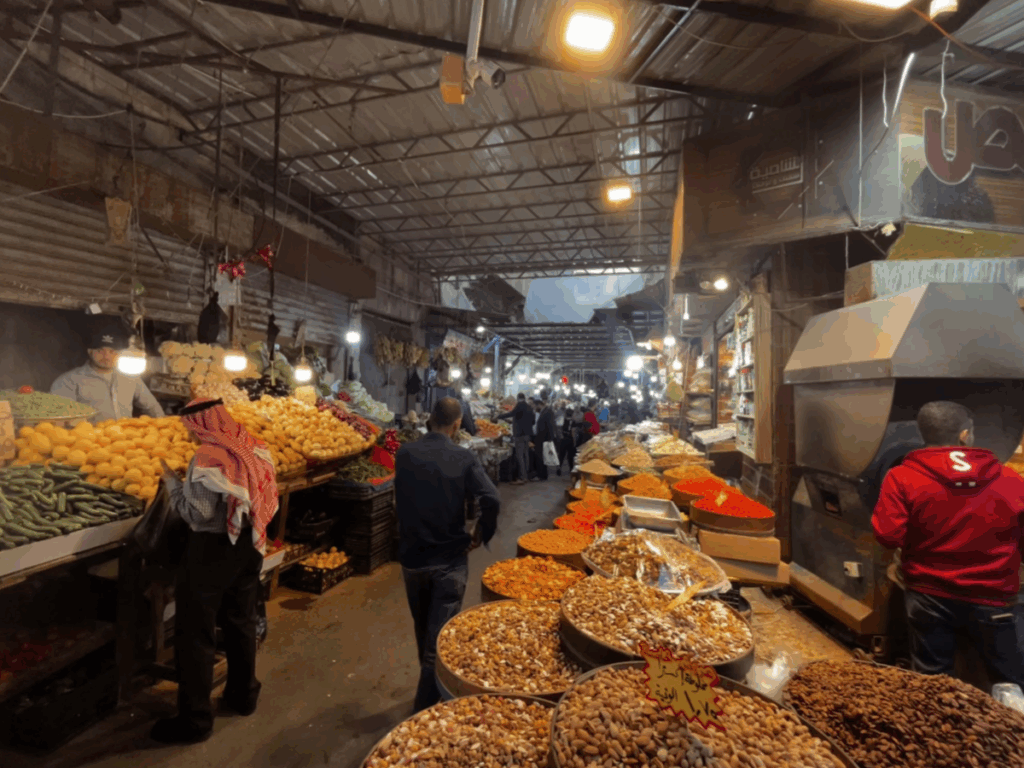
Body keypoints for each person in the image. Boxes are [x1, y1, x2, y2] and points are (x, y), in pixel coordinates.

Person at [151, 398, 279, 744]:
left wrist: (172, 485)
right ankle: (243, 695)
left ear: (199, 424)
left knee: (195, 632)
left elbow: (199, 513)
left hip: (212, 550)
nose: (191, 437)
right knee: (241, 620)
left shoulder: (209, 456)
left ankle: (194, 720)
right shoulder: (252, 444)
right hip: (249, 544)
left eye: (191, 430)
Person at [872, 401, 1024, 688]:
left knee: (934, 682)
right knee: (1010, 682)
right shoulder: (1011, 480)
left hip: (929, 594)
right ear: (965, 434)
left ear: (923, 434)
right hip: (994, 599)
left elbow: (888, 536)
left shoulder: (901, 477)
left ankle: (935, 728)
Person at [395, 398, 500, 712]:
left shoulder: (403, 452)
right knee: (438, 642)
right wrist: (483, 532)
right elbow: (491, 497)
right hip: (449, 560)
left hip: (412, 558)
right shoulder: (463, 457)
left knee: (423, 628)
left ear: (429, 421)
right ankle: (422, 714)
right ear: (456, 425)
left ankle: (430, 686)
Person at [51, 325, 164, 423]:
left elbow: (152, 406)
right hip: (88, 442)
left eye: (112, 351)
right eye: (100, 350)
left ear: (120, 353)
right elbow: (59, 418)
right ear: (90, 351)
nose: (106, 356)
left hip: (125, 441)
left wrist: (165, 425)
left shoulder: (130, 376)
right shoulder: (69, 380)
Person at [497, 393, 534, 485]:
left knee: (520, 456)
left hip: (519, 435)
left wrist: (498, 416)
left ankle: (522, 477)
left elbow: (511, 413)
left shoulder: (519, 406)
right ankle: (526, 476)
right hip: (527, 434)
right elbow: (532, 421)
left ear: (518, 398)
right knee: (526, 455)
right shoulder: (529, 407)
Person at [533, 399, 557, 481]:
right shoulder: (544, 411)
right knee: (542, 457)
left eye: (535, 406)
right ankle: (542, 475)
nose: (535, 408)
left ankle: (541, 475)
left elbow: (550, 426)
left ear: (539, 404)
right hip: (541, 438)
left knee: (541, 457)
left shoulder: (548, 412)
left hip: (544, 438)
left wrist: (550, 439)